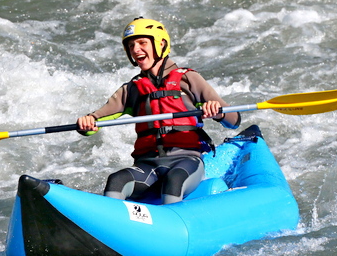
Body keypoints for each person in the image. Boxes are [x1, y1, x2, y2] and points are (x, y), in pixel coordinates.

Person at [77, 17, 240, 204]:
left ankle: (171, 225)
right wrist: (88, 121)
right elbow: (94, 122)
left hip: (186, 160)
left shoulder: (188, 79)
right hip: (147, 164)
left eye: (142, 43)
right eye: (131, 45)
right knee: (116, 180)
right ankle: (106, 226)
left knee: (174, 181)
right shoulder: (132, 89)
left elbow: (234, 119)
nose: (135, 49)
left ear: (160, 44)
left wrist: (217, 111)